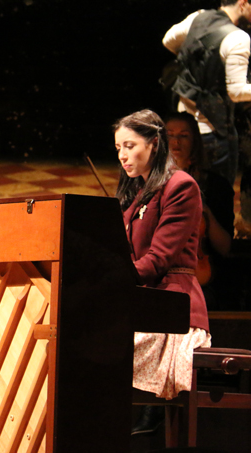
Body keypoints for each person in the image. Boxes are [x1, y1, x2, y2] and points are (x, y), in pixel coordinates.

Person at [113, 110, 212, 435]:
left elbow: (158, 259)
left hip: (173, 309)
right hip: (143, 304)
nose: (123, 155)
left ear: (154, 143)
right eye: (118, 148)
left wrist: (110, 280)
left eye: (129, 145)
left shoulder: (181, 185)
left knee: (94, 347)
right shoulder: (137, 197)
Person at [162, 0, 251, 188]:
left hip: (185, 131)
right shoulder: (238, 38)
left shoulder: (198, 17)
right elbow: (236, 93)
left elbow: (168, 40)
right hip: (214, 132)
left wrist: (193, 60)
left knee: (184, 193)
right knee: (218, 198)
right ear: (243, 3)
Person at [166, 112, 238, 310]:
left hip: (200, 276)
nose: (176, 142)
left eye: (183, 135)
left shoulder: (216, 186)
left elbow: (224, 247)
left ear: (195, 141)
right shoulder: (152, 184)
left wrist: (205, 211)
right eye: (170, 135)